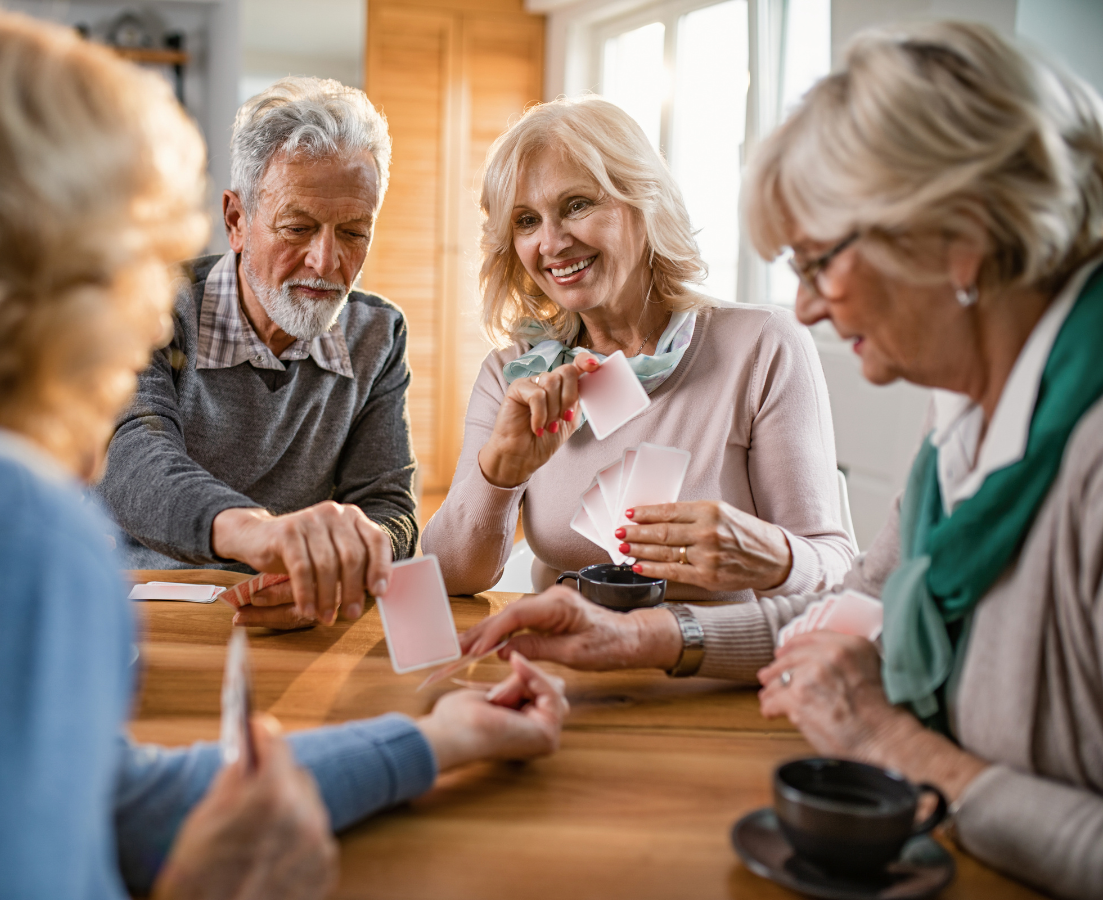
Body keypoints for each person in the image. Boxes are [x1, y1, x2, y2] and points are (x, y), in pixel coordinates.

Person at [0, 7, 569, 899]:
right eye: (128, 258)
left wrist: (431, 741)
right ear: (14, 257)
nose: (146, 311)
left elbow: (104, 797)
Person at [459, 22, 1103, 899]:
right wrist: (643, 636)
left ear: (958, 236)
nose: (804, 304)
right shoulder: (958, 419)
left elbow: (834, 588)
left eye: (822, 260)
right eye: (527, 221)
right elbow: (857, 609)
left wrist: (897, 746)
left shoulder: (1081, 458)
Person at [422, 97, 855, 600]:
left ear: (644, 202)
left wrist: (766, 553)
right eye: (525, 221)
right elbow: (447, 580)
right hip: (561, 663)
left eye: (577, 205)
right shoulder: (513, 375)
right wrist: (498, 474)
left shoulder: (762, 347)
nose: (551, 242)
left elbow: (833, 569)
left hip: (713, 665)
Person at [97, 76, 415, 630]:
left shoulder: (378, 335)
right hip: (144, 603)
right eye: (298, 228)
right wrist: (263, 533)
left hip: (294, 614)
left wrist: (342, 566)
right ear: (237, 221)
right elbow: (132, 457)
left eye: (354, 232)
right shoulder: (152, 304)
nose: (325, 261)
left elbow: (390, 509)